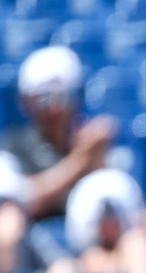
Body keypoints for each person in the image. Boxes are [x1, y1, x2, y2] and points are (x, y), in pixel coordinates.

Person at [3, 46, 118, 221]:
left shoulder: (86, 140)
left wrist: (98, 157)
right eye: (44, 99)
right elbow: (25, 200)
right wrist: (79, 160)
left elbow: (111, 202)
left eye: (62, 96)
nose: (54, 107)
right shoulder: (15, 144)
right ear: (27, 101)